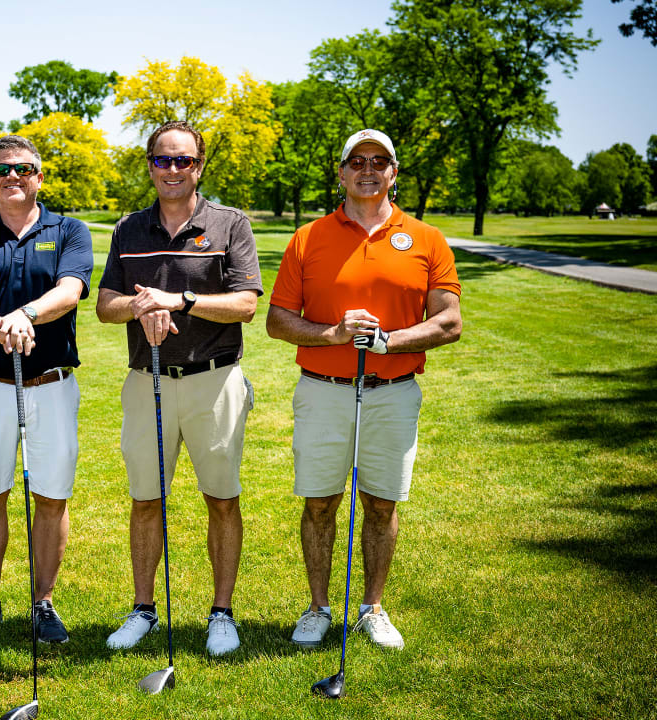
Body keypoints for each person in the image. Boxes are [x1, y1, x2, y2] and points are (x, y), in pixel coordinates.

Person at [266, 128, 462, 650]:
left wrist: (390, 342)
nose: (368, 170)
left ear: (394, 172)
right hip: (323, 390)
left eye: (379, 161)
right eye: (357, 161)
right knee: (320, 503)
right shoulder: (308, 237)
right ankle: (318, 607)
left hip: (392, 390)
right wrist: (331, 334)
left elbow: (448, 322)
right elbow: (278, 321)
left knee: (381, 504)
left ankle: (372, 606)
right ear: (342, 172)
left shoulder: (426, 239)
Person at [96, 121, 262, 657]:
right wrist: (141, 305)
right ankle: (143, 609)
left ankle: (222, 613)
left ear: (200, 165)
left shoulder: (230, 224)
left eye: (183, 161)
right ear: (149, 165)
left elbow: (246, 304)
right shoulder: (129, 229)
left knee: (221, 499)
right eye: (163, 160)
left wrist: (179, 300)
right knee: (146, 500)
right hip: (147, 383)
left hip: (214, 381)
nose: (172, 170)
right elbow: (105, 305)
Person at [0, 135, 93, 644]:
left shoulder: (69, 230)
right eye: (2, 169)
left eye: (24, 169)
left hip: (51, 383)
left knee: (51, 496)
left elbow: (70, 291)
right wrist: (3, 327)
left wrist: (24, 316)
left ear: (39, 177)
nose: (13, 177)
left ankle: (43, 603)